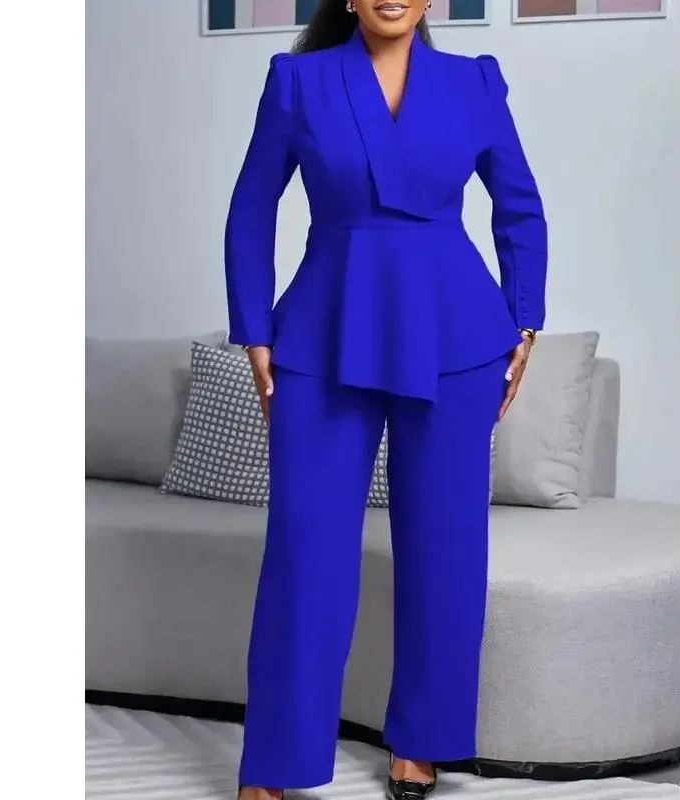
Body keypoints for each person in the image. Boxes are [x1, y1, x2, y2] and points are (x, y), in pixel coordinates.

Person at [225, 1, 547, 797]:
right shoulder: (297, 81)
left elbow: (519, 205)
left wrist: (524, 318)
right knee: (304, 553)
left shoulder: (474, 83)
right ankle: (275, 762)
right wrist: (254, 329)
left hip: (456, 334)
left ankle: (422, 742)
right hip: (324, 330)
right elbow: (251, 207)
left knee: (446, 548)